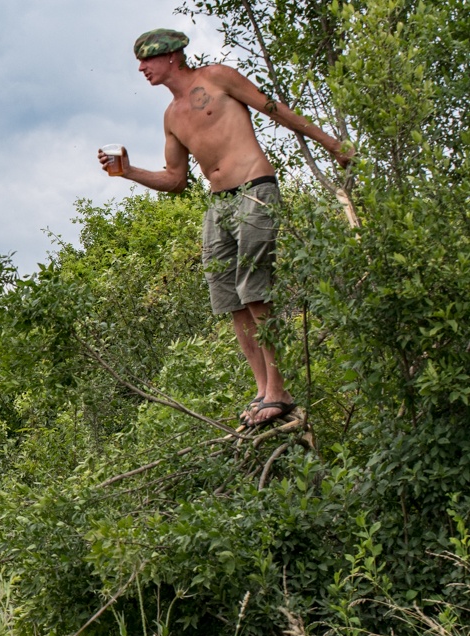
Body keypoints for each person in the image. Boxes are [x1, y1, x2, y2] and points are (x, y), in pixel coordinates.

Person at [100, 29, 351, 428]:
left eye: (147, 59)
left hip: (254, 188)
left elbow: (275, 110)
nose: (141, 68)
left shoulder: (217, 77)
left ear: (172, 56)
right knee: (229, 297)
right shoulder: (171, 116)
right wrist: (128, 171)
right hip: (218, 205)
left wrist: (331, 144)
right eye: (140, 61)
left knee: (254, 288)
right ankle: (262, 390)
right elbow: (176, 180)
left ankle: (278, 390)